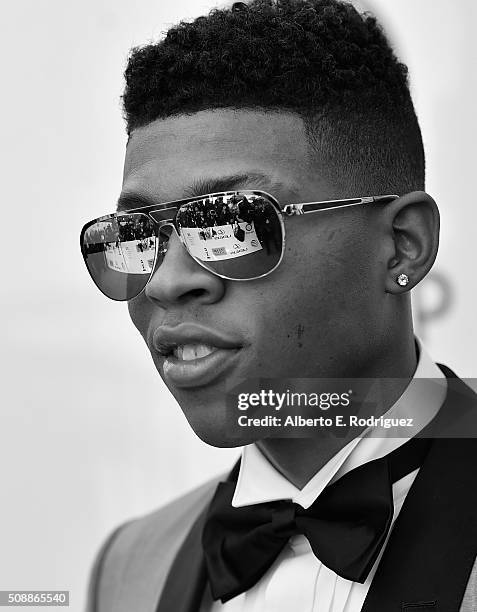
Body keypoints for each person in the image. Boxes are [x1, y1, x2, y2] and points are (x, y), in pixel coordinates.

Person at [82, 1, 477, 610]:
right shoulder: (133, 565)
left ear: (402, 246)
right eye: (138, 232)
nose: (164, 282)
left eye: (235, 224)